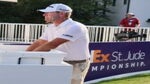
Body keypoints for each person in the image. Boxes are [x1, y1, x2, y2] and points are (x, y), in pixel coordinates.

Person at [26, 3, 90, 84]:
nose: (44, 14)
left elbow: (53, 44)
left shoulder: (76, 27)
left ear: (62, 14)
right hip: (58, 61)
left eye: (48, 12)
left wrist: (29, 58)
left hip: (76, 64)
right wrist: (24, 55)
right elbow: (39, 42)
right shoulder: (51, 27)